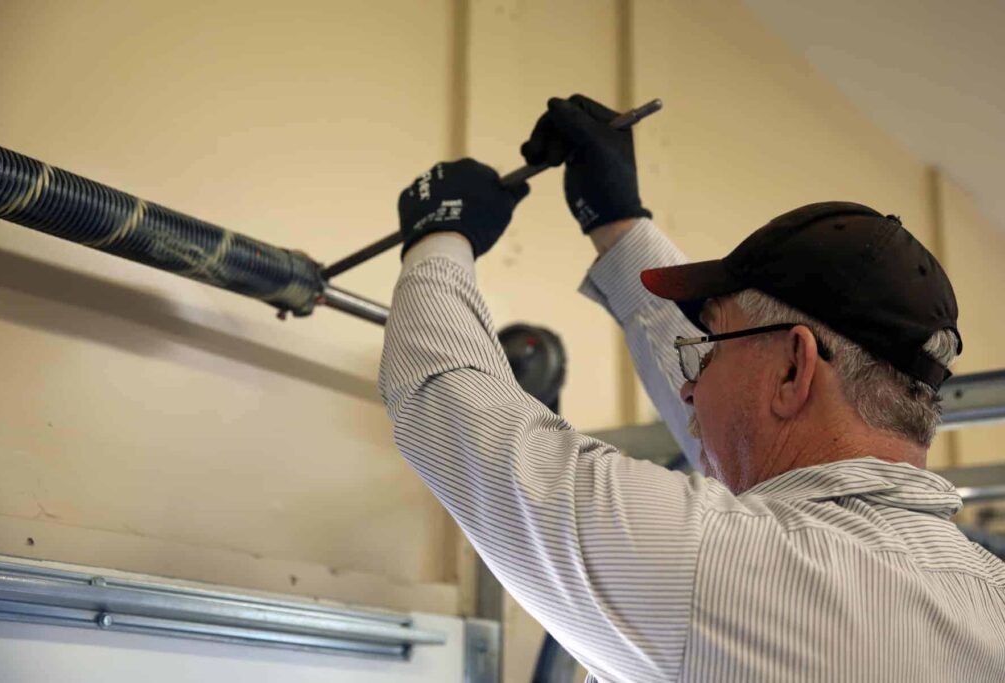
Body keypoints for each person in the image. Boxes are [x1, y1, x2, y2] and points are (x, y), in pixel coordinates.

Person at [378, 94, 1005, 682]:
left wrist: (440, 236)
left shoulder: (733, 573)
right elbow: (741, 435)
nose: (686, 391)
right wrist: (618, 222)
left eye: (705, 352)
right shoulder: (987, 595)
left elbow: (447, 403)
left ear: (793, 368)